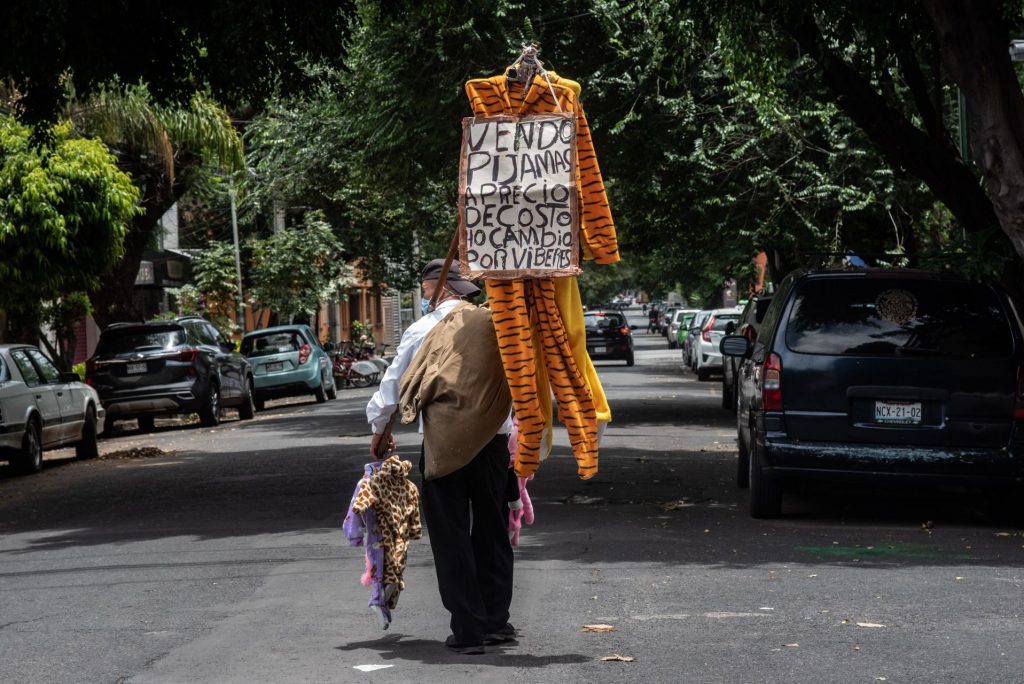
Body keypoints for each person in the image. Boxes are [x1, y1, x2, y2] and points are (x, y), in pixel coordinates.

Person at [365, 258, 516, 656]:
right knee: (493, 530)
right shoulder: (496, 322)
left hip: (445, 444)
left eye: (425, 289)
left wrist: (380, 430)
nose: (423, 296)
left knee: (451, 537)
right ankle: (496, 622)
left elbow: (393, 384)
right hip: (495, 442)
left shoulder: (423, 328)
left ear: (437, 288)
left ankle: (468, 629)